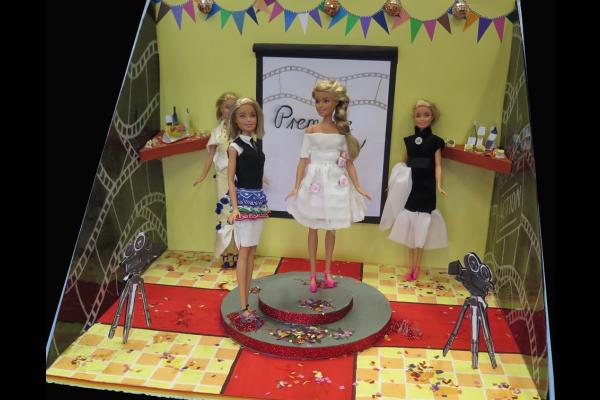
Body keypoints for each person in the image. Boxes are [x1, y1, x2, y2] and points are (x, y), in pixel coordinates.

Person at [286, 79, 371, 293]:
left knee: (331, 229)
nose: (320, 105)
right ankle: (313, 274)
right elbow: (303, 160)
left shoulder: (342, 133)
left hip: (335, 183)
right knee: (312, 227)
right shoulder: (311, 131)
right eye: (317, 101)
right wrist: (296, 186)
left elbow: (348, 163)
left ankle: (327, 271)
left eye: (325, 101)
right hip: (315, 183)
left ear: (336, 103)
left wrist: (358, 186)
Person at [380, 99, 448, 281]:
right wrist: (394, 183)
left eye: (426, 115)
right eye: (418, 115)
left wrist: (439, 185)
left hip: (427, 186)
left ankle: (417, 268)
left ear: (432, 117)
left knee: (421, 229)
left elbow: (438, 166)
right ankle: (410, 268)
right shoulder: (410, 141)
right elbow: (403, 163)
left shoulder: (435, 142)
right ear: (414, 118)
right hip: (411, 186)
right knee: (410, 228)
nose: (422, 119)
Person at [226, 98, 269, 317]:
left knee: (251, 251)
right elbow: (230, 179)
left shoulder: (254, 143)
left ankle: (247, 300)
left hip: (258, 201)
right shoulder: (234, 147)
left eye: (252, 115)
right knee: (244, 251)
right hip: (244, 203)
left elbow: (253, 168)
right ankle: (243, 305)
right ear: (235, 120)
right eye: (242, 116)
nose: (248, 119)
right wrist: (235, 208)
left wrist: (262, 178)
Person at [193, 92, 239, 268]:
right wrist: (203, 175)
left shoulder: (241, 130)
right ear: (221, 108)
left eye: (234, 107)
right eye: (227, 107)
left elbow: (249, 155)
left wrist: (258, 175)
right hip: (222, 176)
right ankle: (224, 252)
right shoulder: (217, 132)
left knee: (239, 213)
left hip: (239, 176)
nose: (230, 110)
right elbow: (211, 156)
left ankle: (237, 252)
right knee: (224, 213)